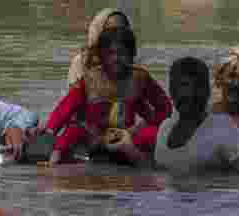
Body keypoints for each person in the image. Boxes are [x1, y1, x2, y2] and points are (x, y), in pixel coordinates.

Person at [42, 26, 172, 166]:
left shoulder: (140, 78)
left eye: (122, 53)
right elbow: (66, 108)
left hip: (127, 135)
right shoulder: (90, 78)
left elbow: (164, 108)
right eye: (110, 53)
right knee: (71, 132)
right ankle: (53, 162)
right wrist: (50, 130)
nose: (116, 58)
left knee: (152, 133)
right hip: (92, 135)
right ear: (101, 55)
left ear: (132, 54)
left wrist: (140, 127)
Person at [154, 57, 239, 174]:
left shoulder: (223, 129)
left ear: (207, 91)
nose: (189, 93)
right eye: (182, 86)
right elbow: (157, 174)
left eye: (197, 87)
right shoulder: (164, 129)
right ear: (171, 91)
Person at [66, 8, 131, 87]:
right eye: (111, 31)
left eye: (122, 30)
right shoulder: (81, 62)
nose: (117, 35)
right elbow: (74, 94)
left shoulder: (129, 62)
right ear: (99, 32)